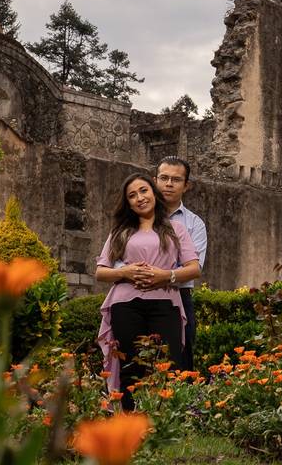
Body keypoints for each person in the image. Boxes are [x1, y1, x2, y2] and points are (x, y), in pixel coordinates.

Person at [95, 173, 200, 410]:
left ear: (154, 192)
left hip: (165, 303)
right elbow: (101, 272)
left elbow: (194, 269)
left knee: (168, 364)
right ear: (128, 203)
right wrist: (127, 272)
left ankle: (165, 423)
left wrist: (166, 276)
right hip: (125, 304)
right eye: (132, 195)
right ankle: (132, 422)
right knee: (130, 365)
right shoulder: (121, 231)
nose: (140, 198)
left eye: (143, 191)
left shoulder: (176, 229)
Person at [153, 156, 207, 371]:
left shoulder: (194, 224)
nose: (168, 184)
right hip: (137, 297)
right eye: (163, 178)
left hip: (178, 300)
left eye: (176, 179)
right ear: (154, 180)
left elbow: (195, 268)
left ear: (186, 186)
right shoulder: (135, 218)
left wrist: (163, 276)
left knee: (179, 368)